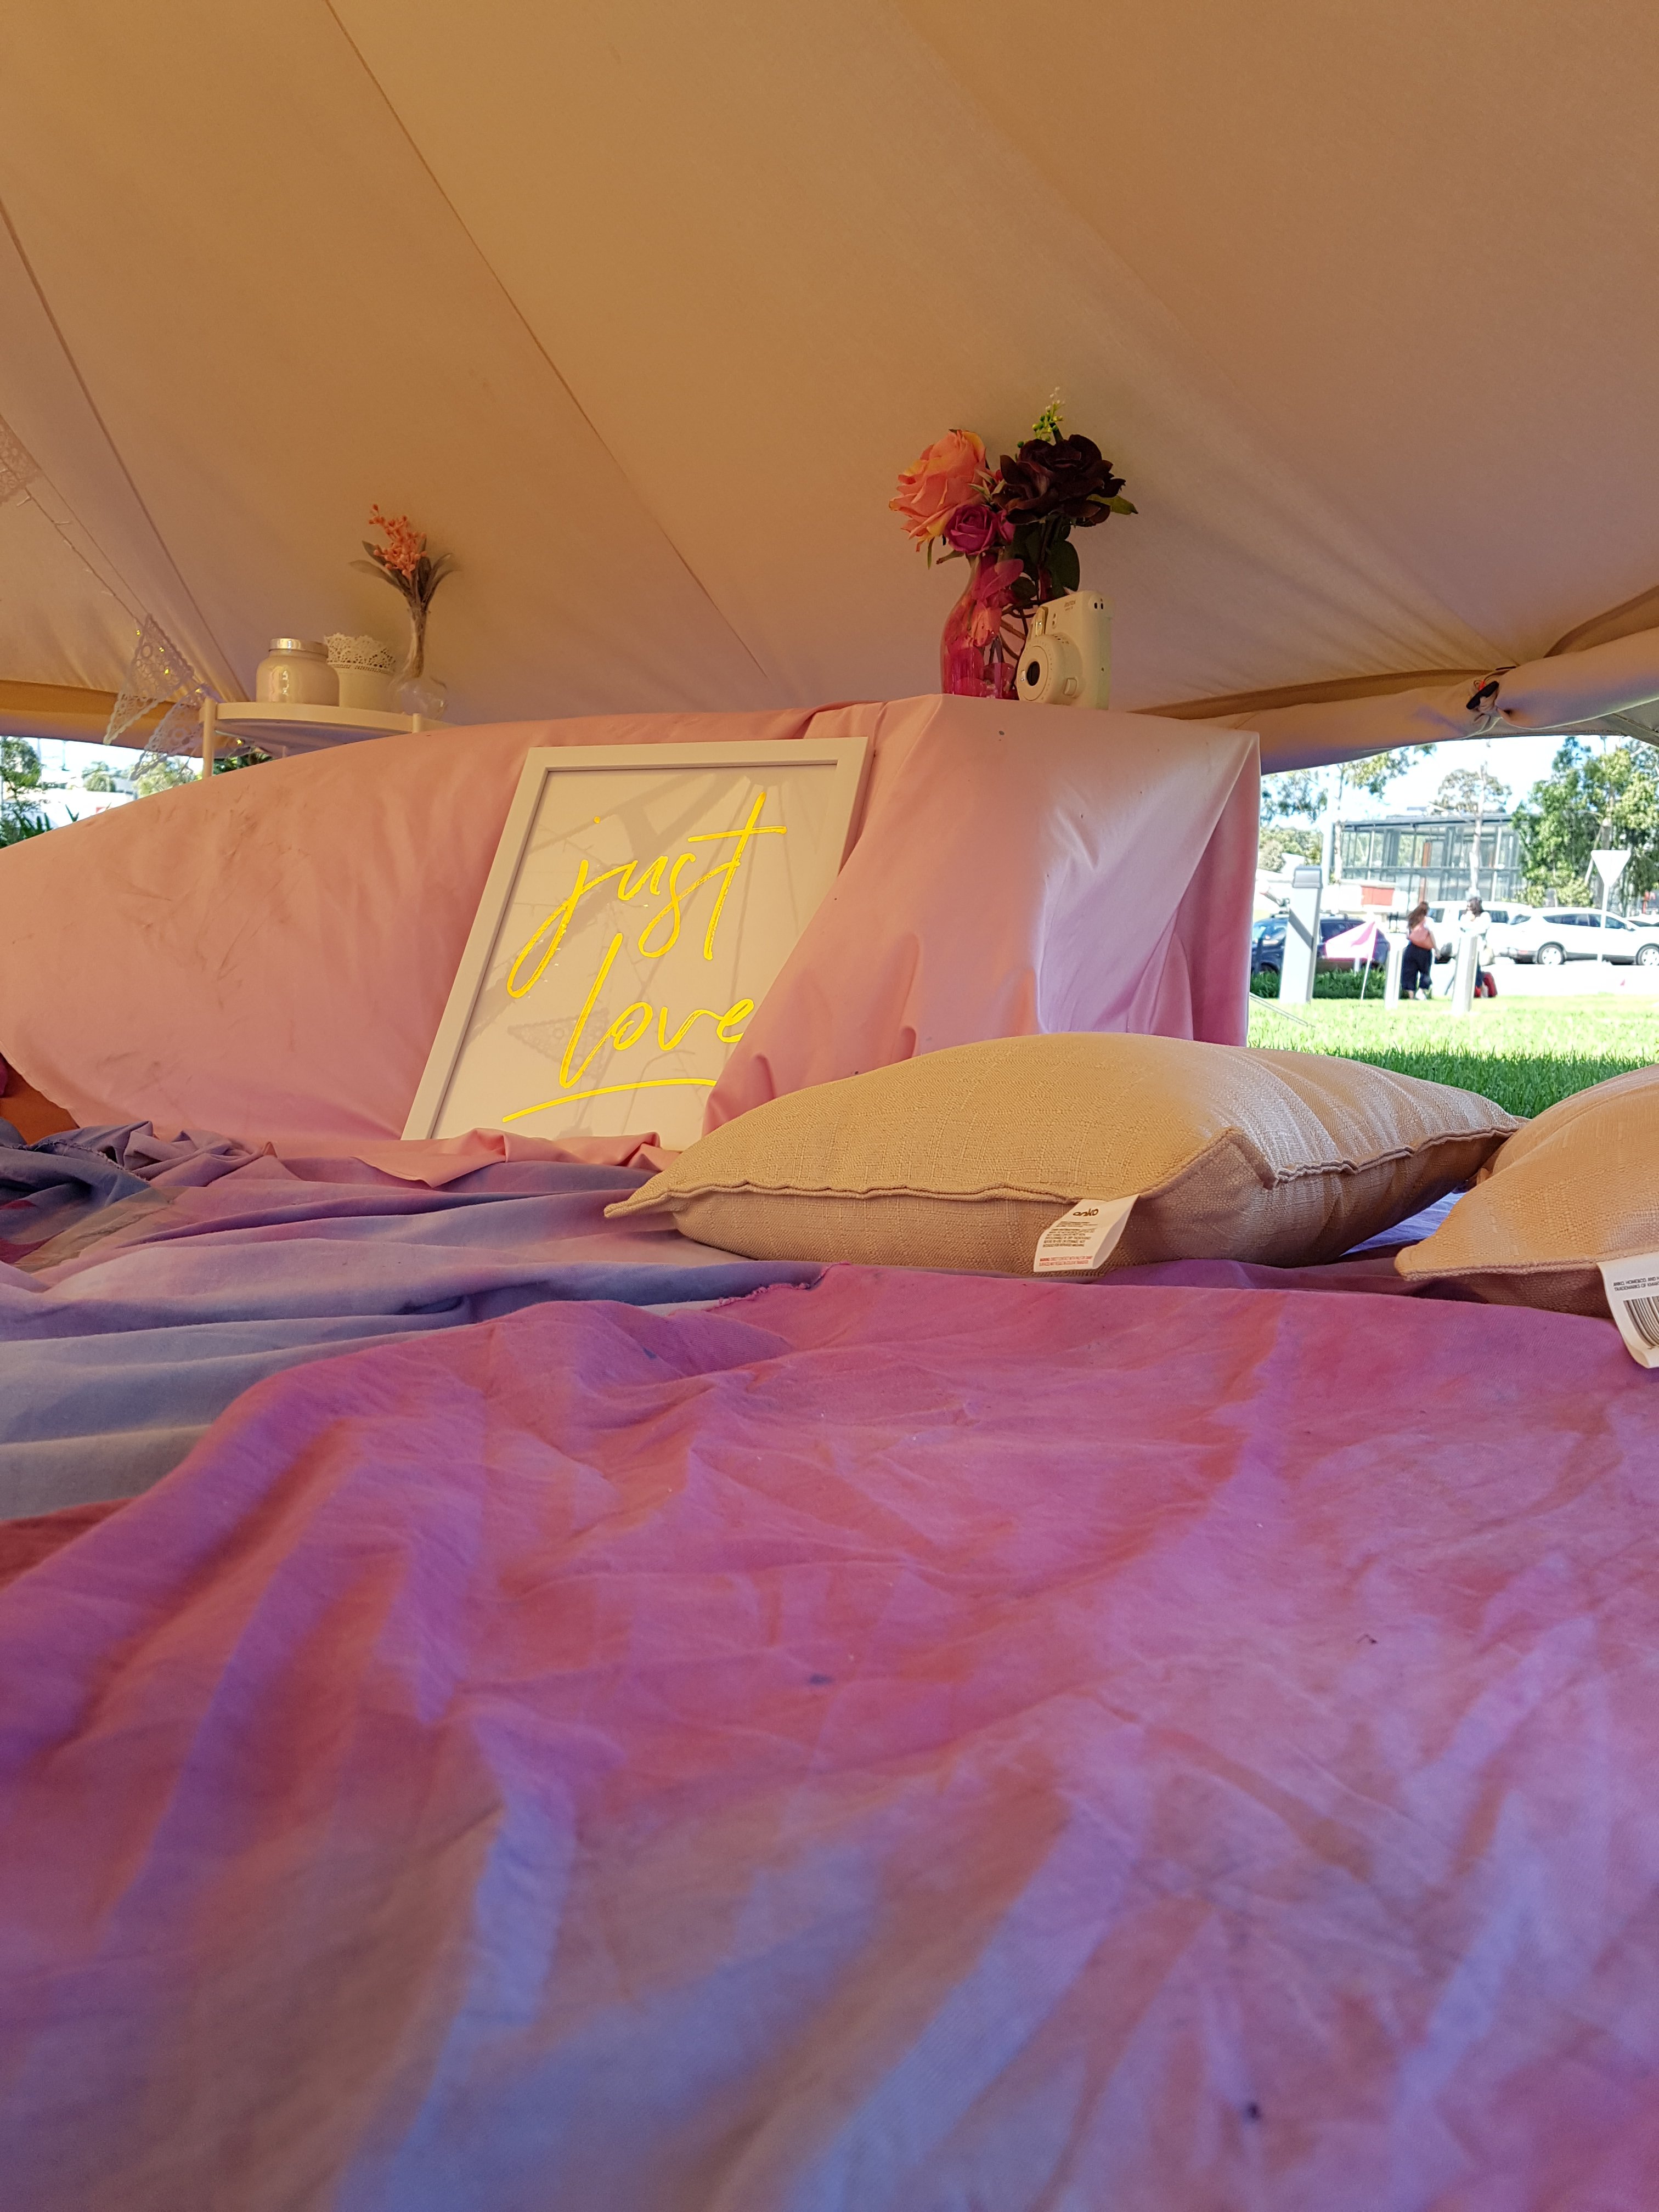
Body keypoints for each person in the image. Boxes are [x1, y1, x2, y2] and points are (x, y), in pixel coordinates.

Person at [1460, 894, 1493, 997]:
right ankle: (1470, 991)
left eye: (1471, 906)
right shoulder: (1465, 916)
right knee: (1466, 970)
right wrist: (1469, 920)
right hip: (1465, 946)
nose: (1469, 909)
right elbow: (1463, 926)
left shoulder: (1485, 916)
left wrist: (1471, 923)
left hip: (1478, 947)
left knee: (1475, 969)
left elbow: (1482, 929)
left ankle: (1483, 988)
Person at [1401, 901, 1435, 998]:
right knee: (1425, 972)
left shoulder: (1412, 920)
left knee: (1409, 974)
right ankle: (1420, 992)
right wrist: (1436, 948)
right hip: (1424, 951)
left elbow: (1407, 935)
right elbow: (1432, 934)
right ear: (1427, 911)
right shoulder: (1428, 921)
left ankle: (1411, 996)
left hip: (1411, 949)